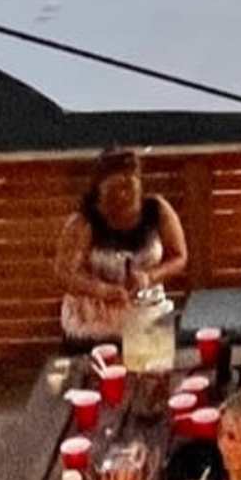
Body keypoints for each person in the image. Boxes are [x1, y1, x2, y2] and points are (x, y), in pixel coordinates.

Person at [54, 147, 189, 345]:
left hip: (146, 315)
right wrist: (102, 290)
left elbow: (179, 256)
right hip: (93, 324)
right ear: (99, 192)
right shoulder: (84, 222)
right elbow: (64, 273)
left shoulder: (157, 210)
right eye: (114, 192)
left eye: (129, 189)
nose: (123, 198)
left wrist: (150, 276)